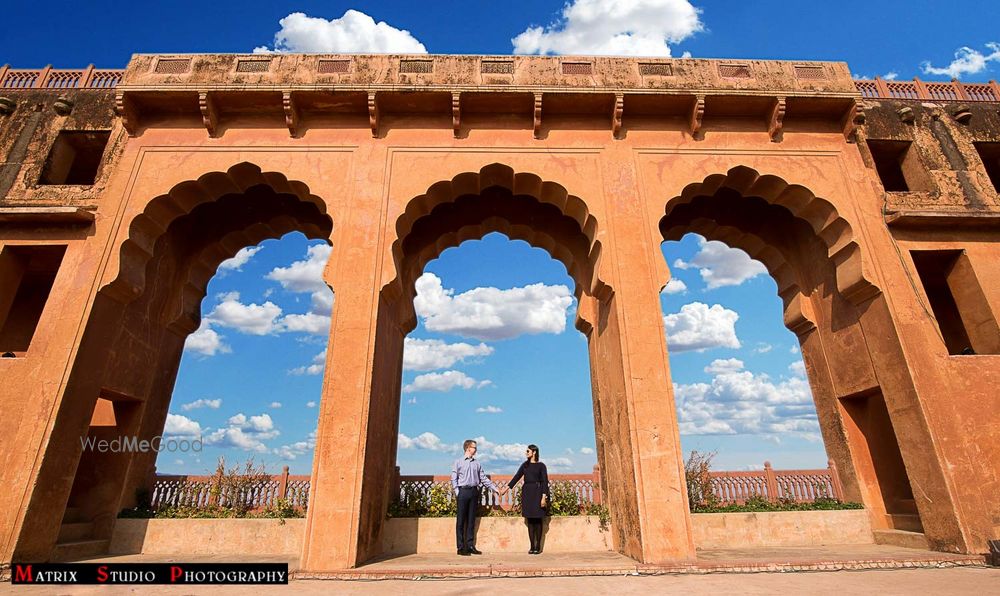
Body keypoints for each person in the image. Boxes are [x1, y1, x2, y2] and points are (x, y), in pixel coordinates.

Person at [450, 439, 501, 556]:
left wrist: (495, 489)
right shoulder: (458, 462)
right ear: (468, 448)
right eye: (474, 447)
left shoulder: (477, 463)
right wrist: (458, 492)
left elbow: (483, 478)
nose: (476, 450)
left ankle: (470, 546)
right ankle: (461, 547)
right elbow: (454, 478)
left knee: (471, 520)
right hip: (463, 492)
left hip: (474, 492)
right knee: (461, 520)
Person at [503, 444, 550, 554]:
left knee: (538, 520)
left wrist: (543, 497)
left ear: (534, 452)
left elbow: (545, 482)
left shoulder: (541, 466)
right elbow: (516, 477)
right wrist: (505, 489)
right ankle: (532, 546)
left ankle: (538, 546)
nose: (526, 453)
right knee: (530, 520)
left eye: (528, 451)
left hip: (538, 492)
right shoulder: (525, 465)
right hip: (527, 493)